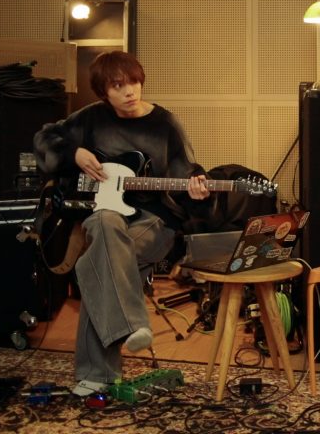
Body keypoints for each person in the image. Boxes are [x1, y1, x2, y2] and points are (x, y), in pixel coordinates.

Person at [34, 51, 210, 396]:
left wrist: (197, 188)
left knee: (100, 262)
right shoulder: (91, 118)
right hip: (105, 215)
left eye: (133, 82)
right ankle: (132, 325)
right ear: (104, 92)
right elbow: (44, 139)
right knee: (103, 235)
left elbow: (184, 173)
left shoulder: (164, 124)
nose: (130, 91)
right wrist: (74, 154)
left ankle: (96, 374)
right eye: (118, 86)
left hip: (154, 220)